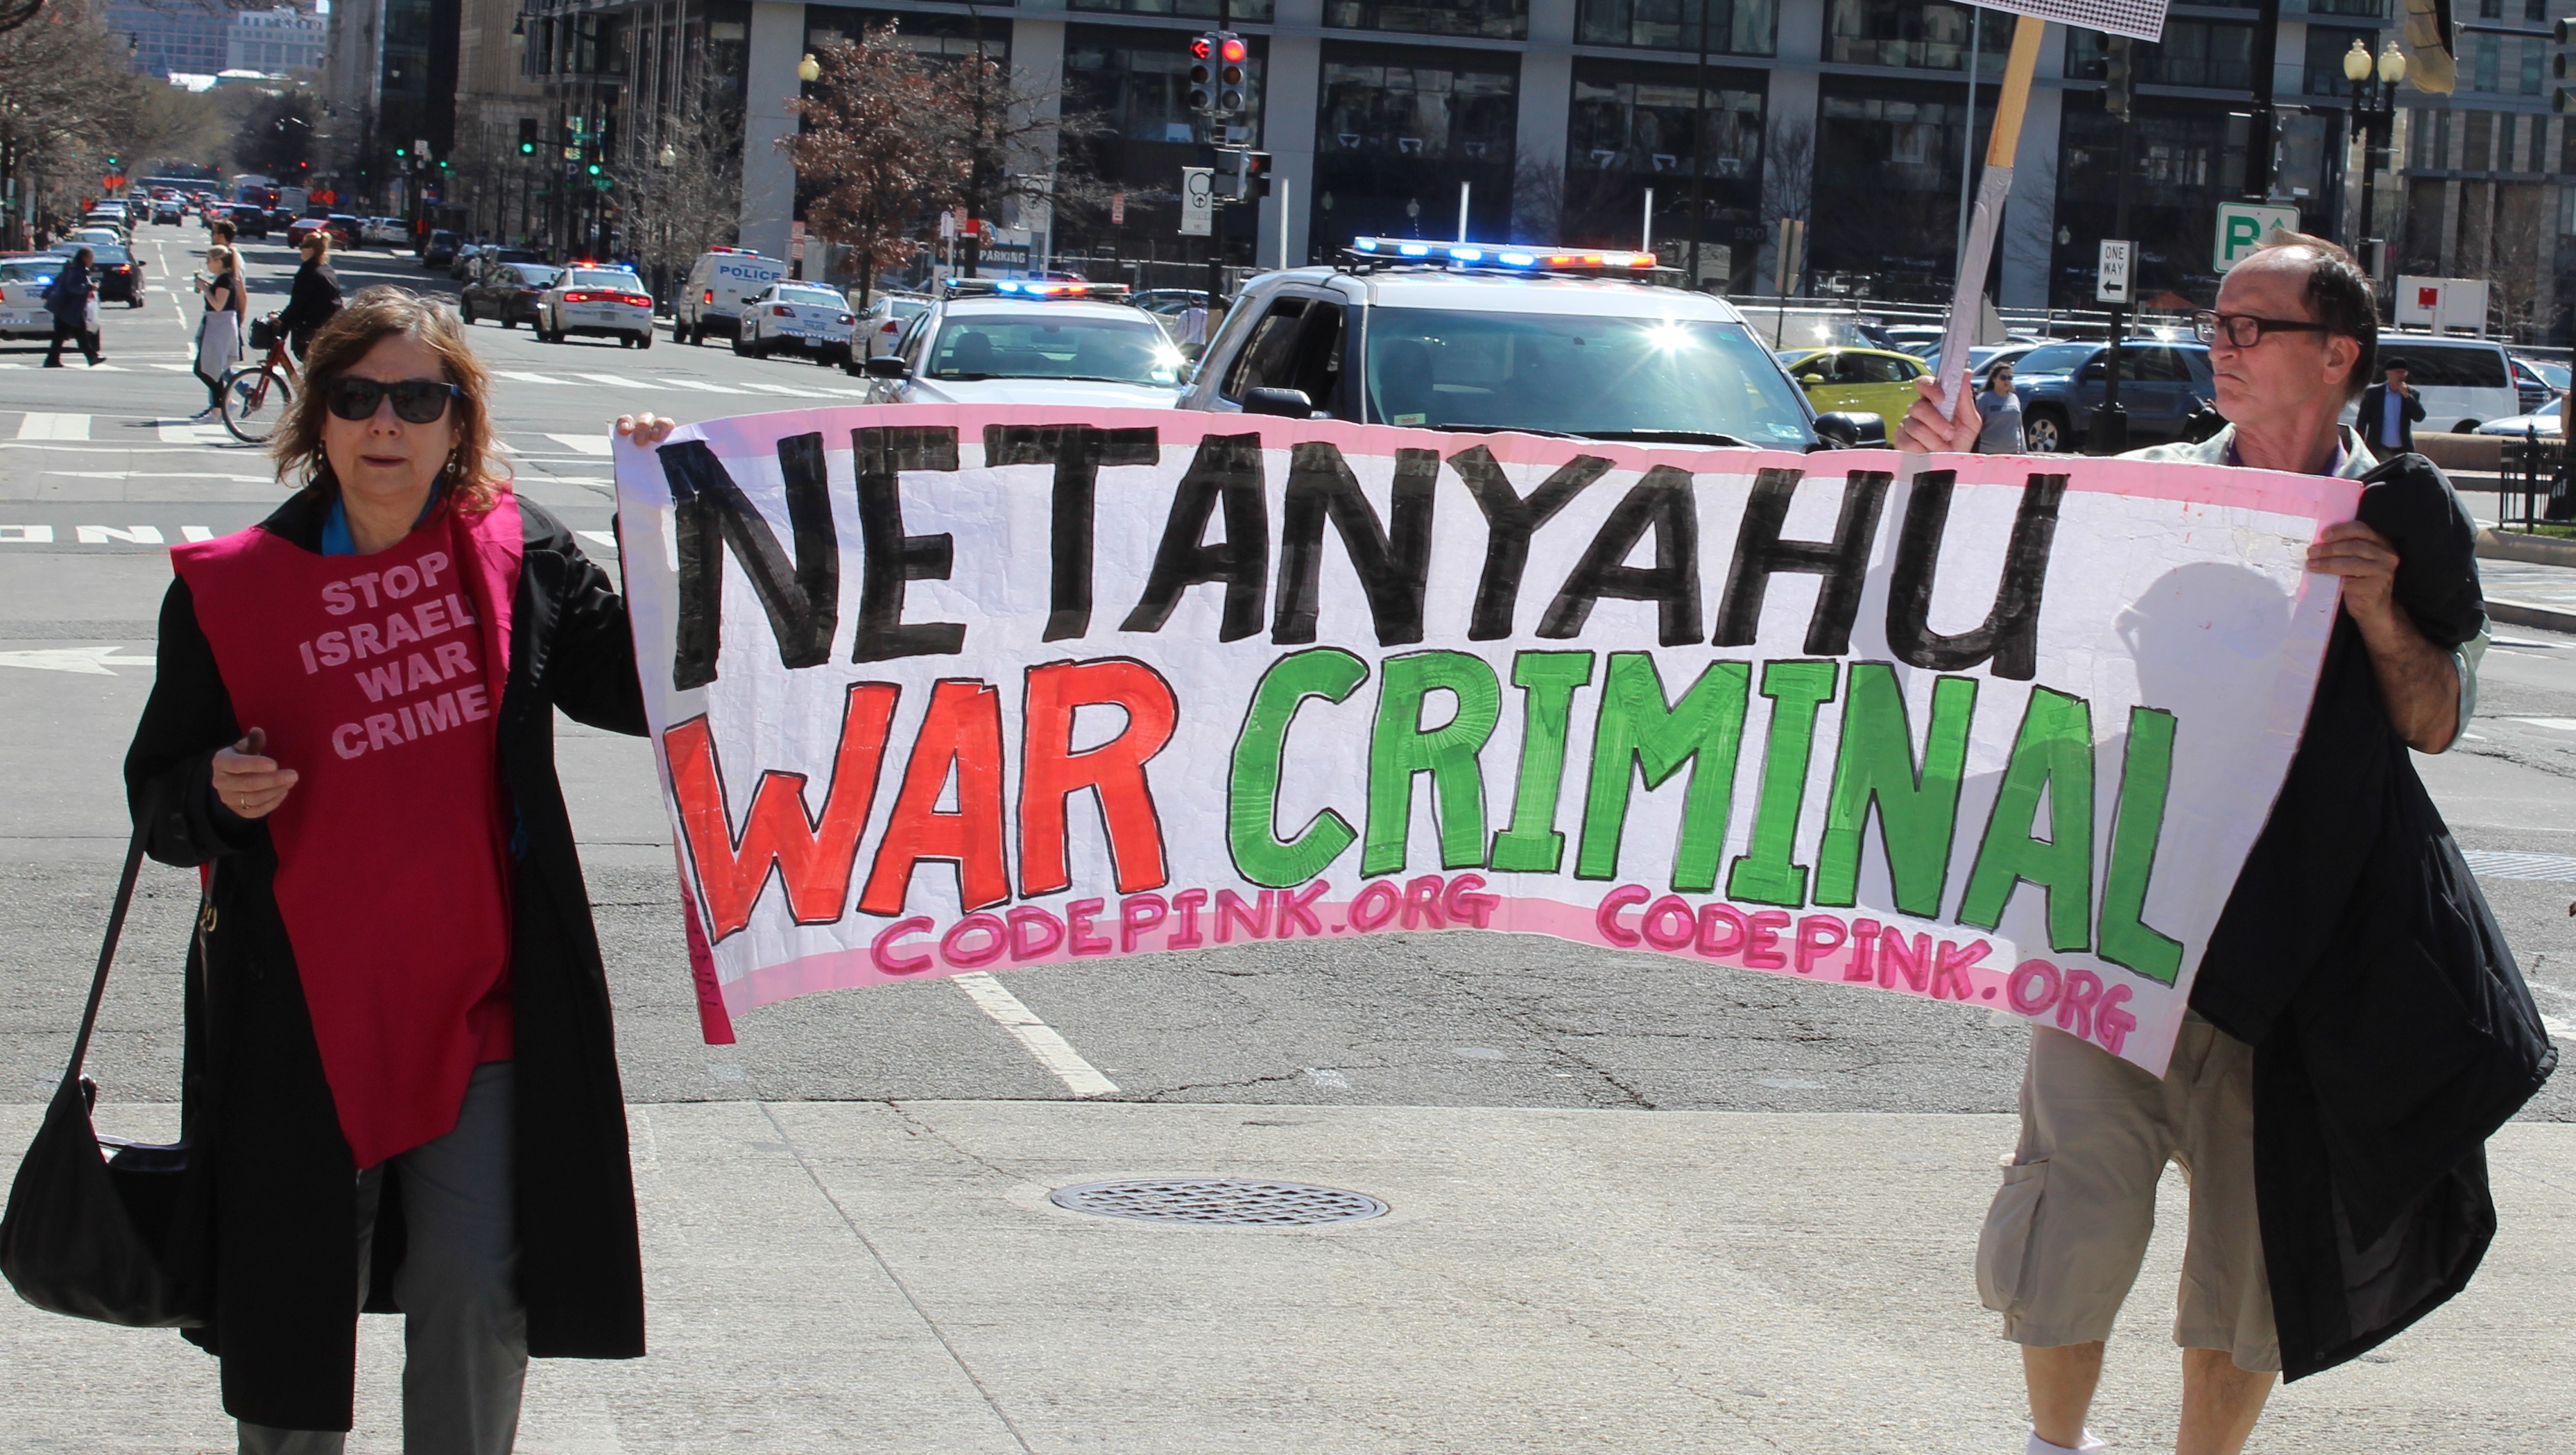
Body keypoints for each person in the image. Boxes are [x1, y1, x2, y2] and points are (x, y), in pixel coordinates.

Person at [1898, 234, 2554, 1455]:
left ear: (2336, 352)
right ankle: (2055, 1445)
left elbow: (2432, 718)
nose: (2220, 341)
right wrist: (1957, 469)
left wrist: (2372, 610)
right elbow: (2000, 572)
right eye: (2216, 320)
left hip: (2296, 961)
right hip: (2119, 921)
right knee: (2067, 1210)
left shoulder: (2408, 516)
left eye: (2251, 324)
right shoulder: (2153, 485)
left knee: (2250, 1256)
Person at [125, 287, 651, 1453]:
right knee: (293, 1304)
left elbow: (646, 687)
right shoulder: (233, 587)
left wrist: (669, 516)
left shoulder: (526, 557)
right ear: (317, 417)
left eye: (420, 397)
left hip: (488, 1008)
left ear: (459, 421)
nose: (387, 422)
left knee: (477, 1289)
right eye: (358, 396)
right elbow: (159, 804)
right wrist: (215, 791)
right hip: (303, 1017)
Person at [193, 243, 248, 417]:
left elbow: (218, 305)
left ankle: (221, 407)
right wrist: (208, 285)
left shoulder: (226, 279)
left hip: (220, 327)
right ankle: (221, 406)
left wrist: (205, 288)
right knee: (209, 369)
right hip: (217, 326)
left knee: (207, 369)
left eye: (209, 260)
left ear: (218, 261)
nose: (207, 263)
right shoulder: (223, 279)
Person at [277, 228, 343, 360]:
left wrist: (281, 323)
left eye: (303, 246)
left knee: (311, 365)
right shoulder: (327, 269)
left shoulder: (308, 272)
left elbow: (297, 304)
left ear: (311, 250)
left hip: (312, 331)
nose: (300, 249)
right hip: (332, 326)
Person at [41, 246, 100, 367]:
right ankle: (91, 357)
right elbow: (72, 287)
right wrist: (90, 287)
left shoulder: (73, 268)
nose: (92, 260)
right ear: (84, 257)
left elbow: (58, 282)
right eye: (91, 257)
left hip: (69, 309)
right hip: (68, 308)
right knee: (71, 335)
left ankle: (53, 360)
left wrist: (46, 293)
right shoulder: (77, 271)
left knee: (68, 336)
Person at [2355, 356, 2424, 455]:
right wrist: (2360, 446)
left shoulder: (2412, 393)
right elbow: (2362, 421)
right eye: (2398, 372)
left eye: (2404, 372)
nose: (2401, 376)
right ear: (2388, 373)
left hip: (2402, 451)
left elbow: (2419, 417)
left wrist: (2407, 397)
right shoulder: (2373, 393)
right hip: (2378, 449)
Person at [1975, 360, 2025, 453]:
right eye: (2003, 377)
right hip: (1988, 454)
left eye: (2010, 378)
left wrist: (2023, 452)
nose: (2007, 381)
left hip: (2013, 452)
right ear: (1994, 379)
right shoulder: (1984, 399)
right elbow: (1975, 427)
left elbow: (2019, 426)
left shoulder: (2014, 399)